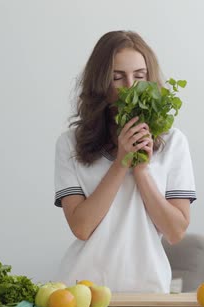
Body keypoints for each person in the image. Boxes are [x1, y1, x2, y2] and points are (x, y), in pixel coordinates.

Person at [53, 30, 196, 293]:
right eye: (117, 78)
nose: (130, 86)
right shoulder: (69, 144)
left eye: (139, 76)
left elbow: (175, 231)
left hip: (149, 291)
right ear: (100, 84)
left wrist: (141, 170)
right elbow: (81, 227)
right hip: (82, 290)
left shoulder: (174, 142)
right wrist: (121, 162)